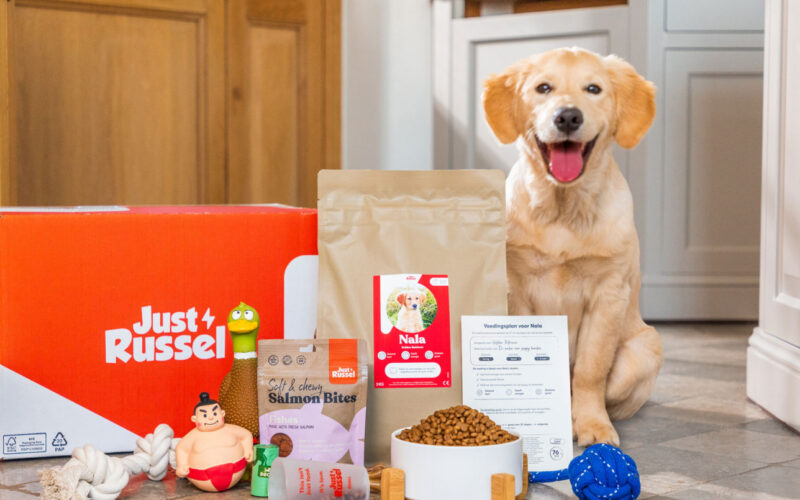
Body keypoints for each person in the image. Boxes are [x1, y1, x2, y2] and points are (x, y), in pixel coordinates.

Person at [175, 392, 254, 492]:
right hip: (201, 477)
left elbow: (246, 435)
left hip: (236, 470)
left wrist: (248, 450)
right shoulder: (193, 436)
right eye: (204, 415)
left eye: (215, 413)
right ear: (194, 419)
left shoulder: (231, 429)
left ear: (222, 414)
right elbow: (181, 448)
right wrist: (181, 466)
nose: (211, 418)